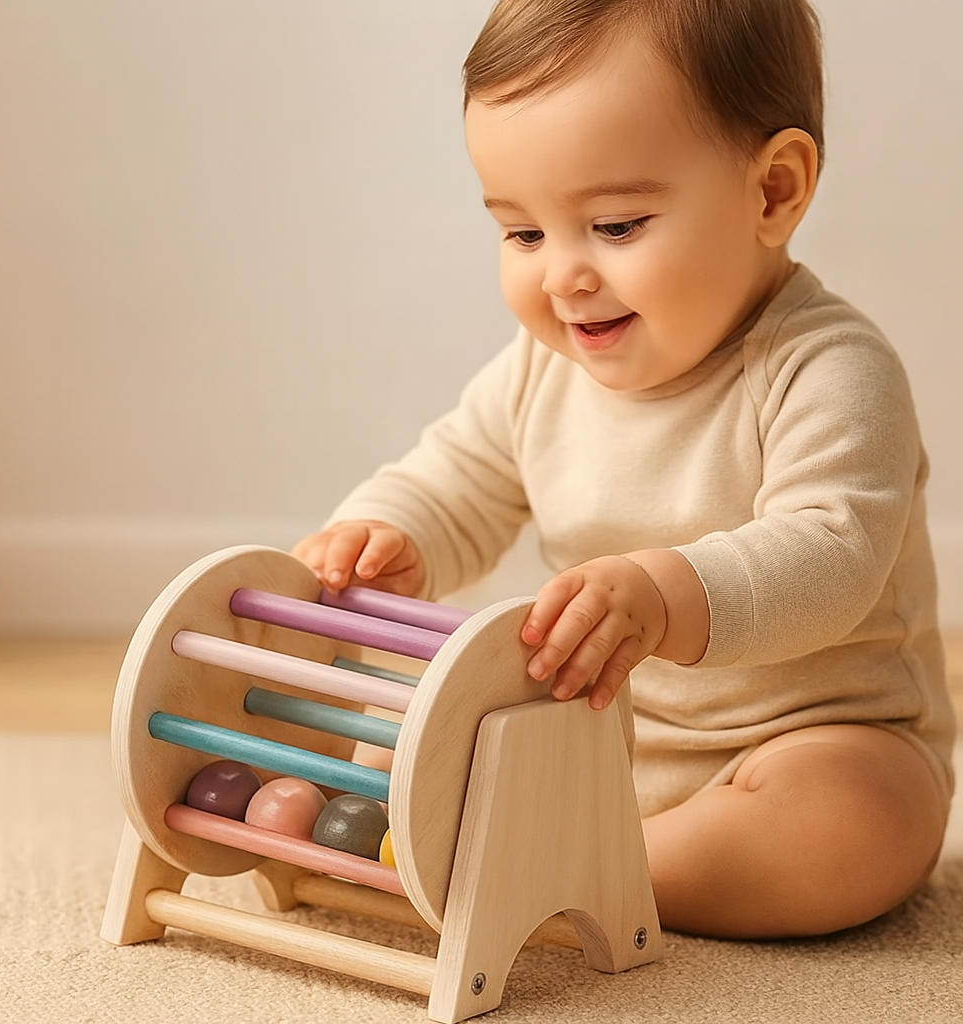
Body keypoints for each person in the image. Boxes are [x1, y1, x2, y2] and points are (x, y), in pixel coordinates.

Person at [293, 0, 956, 939]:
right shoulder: (541, 370)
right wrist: (389, 531)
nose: (563, 275)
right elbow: (457, 475)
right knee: (432, 733)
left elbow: (833, 556)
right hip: (595, 747)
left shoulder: (828, 368)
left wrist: (665, 592)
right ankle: (555, 847)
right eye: (523, 234)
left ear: (773, 190)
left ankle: (584, 871)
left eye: (615, 224)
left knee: (852, 824)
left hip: (803, 745)